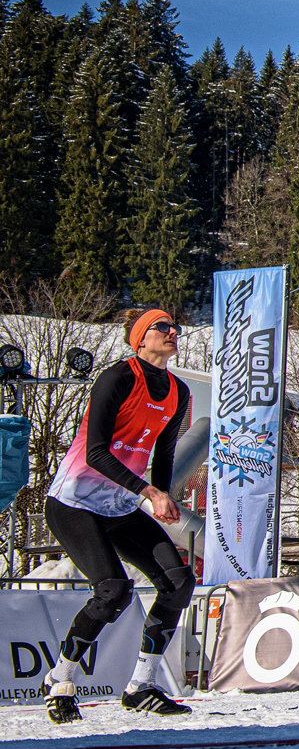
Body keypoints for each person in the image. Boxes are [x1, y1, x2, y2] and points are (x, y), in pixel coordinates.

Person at [40, 307, 196, 722]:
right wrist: (148, 492)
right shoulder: (118, 377)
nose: (173, 332)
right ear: (140, 338)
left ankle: (141, 686)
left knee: (179, 582)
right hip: (74, 503)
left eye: (176, 327)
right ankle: (60, 679)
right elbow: (95, 452)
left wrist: (163, 494)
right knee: (113, 590)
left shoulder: (178, 391)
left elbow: (164, 453)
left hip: (120, 506)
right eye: (163, 327)